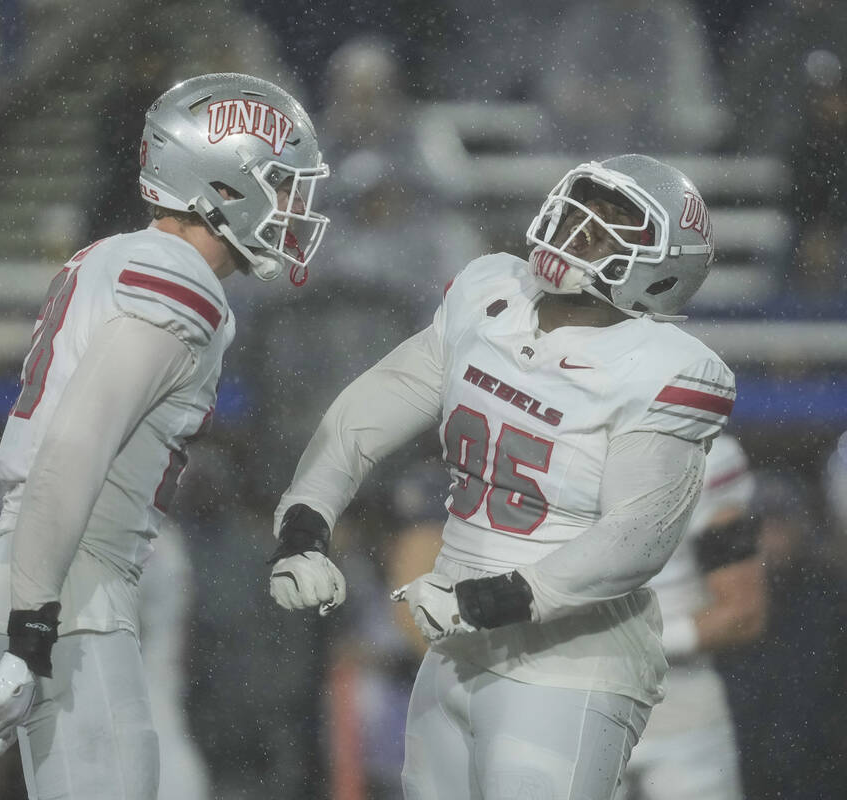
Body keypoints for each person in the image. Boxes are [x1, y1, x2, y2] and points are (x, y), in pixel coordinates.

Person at [266, 154, 734, 799]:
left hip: (569, 663)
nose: (580, 228)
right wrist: (306, 517)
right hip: (454, 646)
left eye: (613, 223)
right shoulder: (492, 293)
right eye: (582, 207)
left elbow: (636, 539)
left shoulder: (665, 368)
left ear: (663, 270)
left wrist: (487, 601)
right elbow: (374, 406)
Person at [0, 72, 330, 800]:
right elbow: (74, 444)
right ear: (222, 185)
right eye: (280, 183)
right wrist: (32, 628)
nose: (292, 207)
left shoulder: (114, 257)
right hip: (69, 585)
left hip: (51, 574)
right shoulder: (177, 280)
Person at [618, 433, 766, 800]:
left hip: (678, 710)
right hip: (568, 704)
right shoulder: (548, 437)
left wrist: (635, 644)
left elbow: (744, 613)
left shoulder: (704, 455)